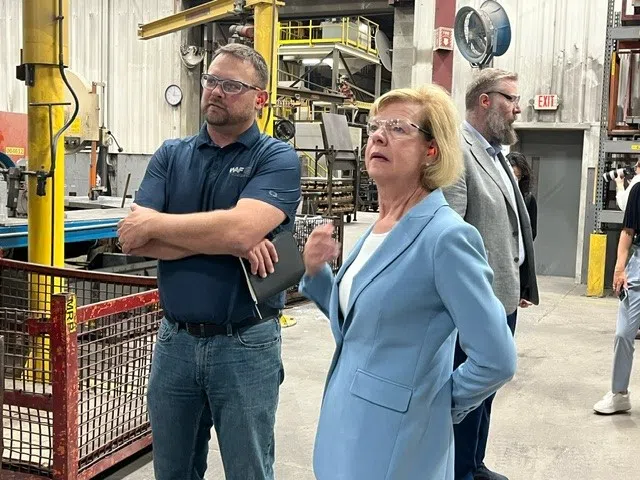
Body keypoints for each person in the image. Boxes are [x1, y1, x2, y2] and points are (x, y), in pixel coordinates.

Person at [299, 85, 517, 480]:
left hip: (397, 445)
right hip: (346, 425)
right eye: (375, 126)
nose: (378, 136)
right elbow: (363, 327)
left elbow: (497, 357)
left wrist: (435, 405)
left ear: (431, 151)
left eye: (399, 128)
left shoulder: (446, 237)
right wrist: (319, 275)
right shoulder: (379, 226)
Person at [116, 43, 301, 480]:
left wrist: (166, 225)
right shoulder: (170, 154)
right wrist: (229, 239)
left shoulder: (275, 158)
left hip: (245, 344)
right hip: (174, 342)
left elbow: (238, 230)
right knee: (173, 470)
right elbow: (134, 240)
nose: (216, 91)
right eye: (211, 81)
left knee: (248, 470)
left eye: (231, 85)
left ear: (260, 98)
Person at [443, 68, 539, 480]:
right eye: (512, 100)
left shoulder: (498, 154)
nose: (518, 110)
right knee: (467, 389)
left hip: (501, 296)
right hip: (474, 303)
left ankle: (474, 463)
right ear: (486, 101)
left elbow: (510, 227)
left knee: (487, 389)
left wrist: (519, 282)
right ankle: (458, 470)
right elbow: (450, 234)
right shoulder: (459, 151)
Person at [593, 172, 640, 415]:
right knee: (624, 333)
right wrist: (619, 268)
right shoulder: (638, 189)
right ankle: (619, 394)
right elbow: (628, 232)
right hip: (639, 267)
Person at [507, 152, 537, 241]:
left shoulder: (528, 199)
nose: (515, 181)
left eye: (518, 177)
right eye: (511, 177)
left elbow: (532, 233)